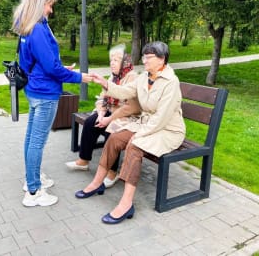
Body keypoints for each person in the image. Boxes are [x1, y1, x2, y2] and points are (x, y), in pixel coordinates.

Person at [76, 41, 186, 224]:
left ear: (162, 59)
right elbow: (125, 90)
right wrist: (104, 83)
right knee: (115, 138)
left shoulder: (171, 83)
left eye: (149, 57)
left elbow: (162, 118)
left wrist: (139, 135)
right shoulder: (144, 77)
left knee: (134, 146)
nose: (145, 60)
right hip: (147, 124)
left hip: (167, 130)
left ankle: (126, 204)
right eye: (144, 56)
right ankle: (96, 183)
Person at [12, 0, 92, 207]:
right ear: (40, 3)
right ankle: (34, 191)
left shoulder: (26, 26)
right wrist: (78, 77)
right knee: (37, 141)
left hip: (34, 89)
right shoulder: (38, 28)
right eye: (49, 5)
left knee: (31, 139)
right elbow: (50, 68)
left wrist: (58, 66)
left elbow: (33, 63)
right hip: (45, 93)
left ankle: (32, 179)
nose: (51, 10)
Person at [65, 44, 140, 188]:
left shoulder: (132, 78)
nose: (112, 63)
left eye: (116, 60)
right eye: (111, 60)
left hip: (126, 116)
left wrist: (109, 118)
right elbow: (102, 98)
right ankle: (83, 160)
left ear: (125, 62)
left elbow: (130, 107)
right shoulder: (113, 77)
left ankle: (112, 172)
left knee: (111, 131)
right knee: (90, 122)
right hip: (109, 112)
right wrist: (100, 113)